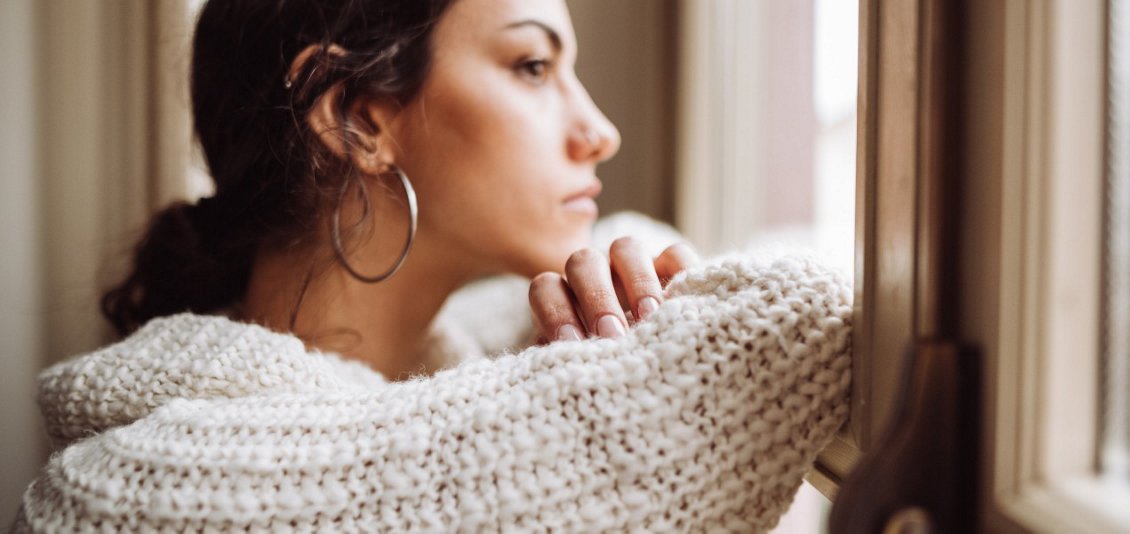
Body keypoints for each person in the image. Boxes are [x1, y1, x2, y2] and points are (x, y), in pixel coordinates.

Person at [14, 0, 854, 531]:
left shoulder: (481, 371)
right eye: (533, 65)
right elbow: (797, 315)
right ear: (358, 119)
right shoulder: (137, 497)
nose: (600, 130)